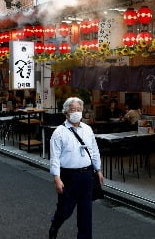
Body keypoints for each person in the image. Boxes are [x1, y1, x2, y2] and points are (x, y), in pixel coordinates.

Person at [49, 97, 103, 239]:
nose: (77, 112)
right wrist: (56, 178)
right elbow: (54, 157)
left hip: (87, 174)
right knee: (65, 209)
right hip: (68, 176)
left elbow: (94, 151)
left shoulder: (87, 129)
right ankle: (55, 224)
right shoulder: (59, 132)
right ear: (66, 113)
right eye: (73, 110)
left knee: (86, 212)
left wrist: (98, 170)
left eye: (79, 109)